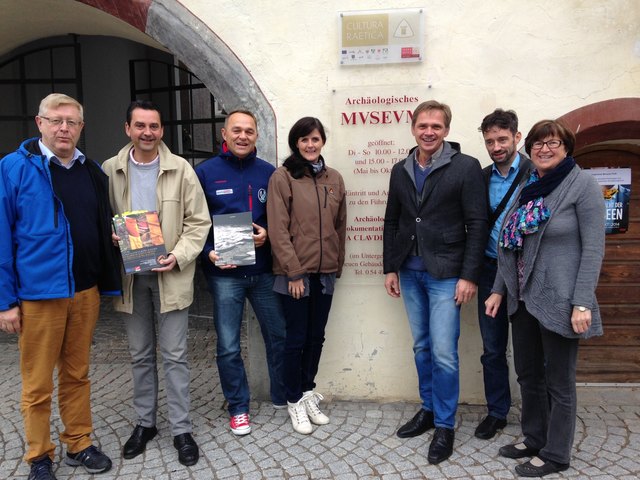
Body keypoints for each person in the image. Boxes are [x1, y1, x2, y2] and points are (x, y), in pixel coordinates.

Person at [0, 93, 121, 480]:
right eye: (56, 120)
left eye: (71, 122)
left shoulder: (92, 171)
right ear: (40, 123)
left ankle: (79, 442)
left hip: (84, 291)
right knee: (37, 384)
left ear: (81, 127)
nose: (64, 128)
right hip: (39, 296)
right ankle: (39, 456)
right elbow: (2, 236)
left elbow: (101, 222)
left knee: (77, 374)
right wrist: (6, 302)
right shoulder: (14, 169)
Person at [485, 119, 605, 477]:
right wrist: (497, 289)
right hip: (522, 299)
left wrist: (582, 301)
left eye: (552, 143)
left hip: (560, 301)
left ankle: (556, 454)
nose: (544, 149)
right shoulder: (529, 185)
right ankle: (534, 436)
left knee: (560, 382)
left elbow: (594, 249)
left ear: (566, 147)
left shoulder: (582, 185)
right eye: (538, 144)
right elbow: (511, 243)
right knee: (528, 375)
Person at [103, 100, 211, 467]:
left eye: (153, 126)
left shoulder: (181, 170)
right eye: (140, 126)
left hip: (172, 276)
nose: (147, 132)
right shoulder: (110, 170)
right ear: (128, 129)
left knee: (176, 356)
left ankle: (181, 429)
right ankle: (145, 424)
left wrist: (177, 256)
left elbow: (199, 223)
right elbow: (99, 219)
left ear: (162, 130)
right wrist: (111, 236)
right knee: (139, 355)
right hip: (131, 277)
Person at [383, 100, 487, 464]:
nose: (429, 132)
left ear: (446, 130)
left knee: (444, 352)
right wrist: (390, 267)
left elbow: (478, 224)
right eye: (423, 125)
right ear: (413, 128)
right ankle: (428, 409)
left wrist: (469, 275)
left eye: (436, 127)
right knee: (422, 347)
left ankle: (445, 425)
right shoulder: (401, 169)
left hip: (447, 274)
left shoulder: (465, 167)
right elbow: (392, 221)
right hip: (410, 272)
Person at [195, 110, 286, 436]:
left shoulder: (270, 173)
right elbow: (194, 222)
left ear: (256, 135)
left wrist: (270, 236)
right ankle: (238, 407)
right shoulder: (204, 172)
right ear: (224, 133)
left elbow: (282, 219)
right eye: (237, 130)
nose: (243, 136)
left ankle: (281, 394)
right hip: (225, 275)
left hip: (262, 272)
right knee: (229, 346)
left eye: (249, 131)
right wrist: (209, 252)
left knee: (278, 336)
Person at [267, 117, 346, 434]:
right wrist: (294, 272)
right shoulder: (283, 177)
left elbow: (341, 224)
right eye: (304, 140)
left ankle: (307, 390)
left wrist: (337, 263)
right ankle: (293, 400)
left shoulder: (335, 179)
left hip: (325, 274)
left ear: (322, 141)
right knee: (296, 339)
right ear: (295, 143)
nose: (310, 145)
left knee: (316, 338)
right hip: (294, 275)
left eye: (315, 139)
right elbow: (278, 229)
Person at [475, 109, 531, 440]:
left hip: (525, 271)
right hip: (487, 270)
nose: (496, 146)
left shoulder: (534, 173)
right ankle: (497, 412)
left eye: (502, 139)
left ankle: (537, 413)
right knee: (492, 347)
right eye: (490, 141)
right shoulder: (481, 177)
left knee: (528, 347)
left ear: (516, 137)